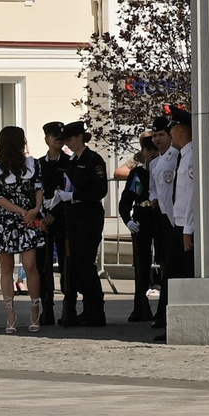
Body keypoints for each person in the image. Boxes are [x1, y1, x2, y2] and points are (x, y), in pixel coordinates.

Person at [0, 125, 51, 333]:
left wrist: (35, 209)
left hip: (28, 217)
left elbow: (39, 188)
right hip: (7, 219)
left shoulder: (32, 164)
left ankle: (35, 307)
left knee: (30, 265)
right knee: (7, 267)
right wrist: (23, 211)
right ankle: (10, 312)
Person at [56, 123, 111, 327]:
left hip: (89, 215)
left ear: (80, 137)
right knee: (76, 264)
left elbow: (100, 190)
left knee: (86, 264)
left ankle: (95, 310)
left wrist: (75, 195)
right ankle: (86, 308)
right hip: (74, 215)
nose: (68, 144)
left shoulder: (93, 160)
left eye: (70, 139)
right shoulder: (72, 161)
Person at [151, 106, 196, 343]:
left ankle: (180, 325)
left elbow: (190, 199)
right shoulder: (183, 155)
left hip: (183, 227)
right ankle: (172, 324)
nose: (171, 134)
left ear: (182, 130)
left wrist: (187, 230)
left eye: (173, 129)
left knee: (180, 277)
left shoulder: (190, 157)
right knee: (172, 277)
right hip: (177, 224)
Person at [116, 127, 163, 322]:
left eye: (154, 149)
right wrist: (127, 220)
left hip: (159, 216)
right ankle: (140, 308)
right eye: (147, 149)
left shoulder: (164, 168)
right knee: (141, 264)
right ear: (142, 152)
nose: (151, 153)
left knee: (162, 261)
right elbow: (125, 201)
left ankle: (162, 308)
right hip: (142, 217)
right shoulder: (137, 173)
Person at [35, 121, 71, 309]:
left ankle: (68, 306)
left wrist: (54, 215)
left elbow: (70, 191)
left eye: (61, 136)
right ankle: (46, 305)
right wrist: (40, 217)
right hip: (42, 220)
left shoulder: (69, 163)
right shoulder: (39, 164)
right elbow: (34, 192)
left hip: (63, 219)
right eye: (54, 135)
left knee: (66, 264)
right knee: (43, 265)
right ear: (46, 139)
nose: (58, 139)